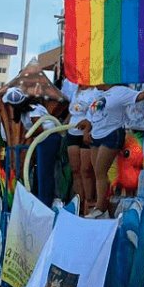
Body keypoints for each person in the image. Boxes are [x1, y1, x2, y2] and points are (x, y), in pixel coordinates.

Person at [78, 80, 144, 219]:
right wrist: (86, 129)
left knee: (101, 171)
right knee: (98, 173)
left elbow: (141, 96)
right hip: (96, 135)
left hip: (112, 134)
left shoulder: (119, 91)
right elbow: (91, 117)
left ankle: (100, 208)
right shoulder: (96, 93)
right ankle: (104, 207)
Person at [61, 76, 98, 213]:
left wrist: (88, 130)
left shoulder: (95, 91)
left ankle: (90, 201)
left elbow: (94, 112)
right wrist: (63, 126)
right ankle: (79, 202)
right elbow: (71, 112)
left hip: (87, 133)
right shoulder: (75, 91)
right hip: (72, 132)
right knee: (75, 170)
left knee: (86, 170)